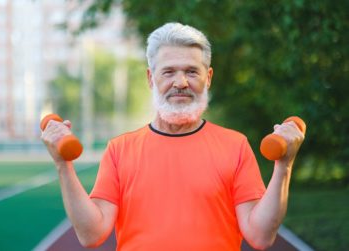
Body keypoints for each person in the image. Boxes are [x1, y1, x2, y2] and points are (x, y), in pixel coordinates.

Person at [41, 22, 305, 251]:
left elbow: (260, 237)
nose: (181, 82)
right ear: (150, 78)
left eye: (192, 71)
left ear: (208, 78)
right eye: (169, 72)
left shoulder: (235, 146)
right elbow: (91, 235)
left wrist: (284, 166)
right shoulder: (119, 150)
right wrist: (63, 165)